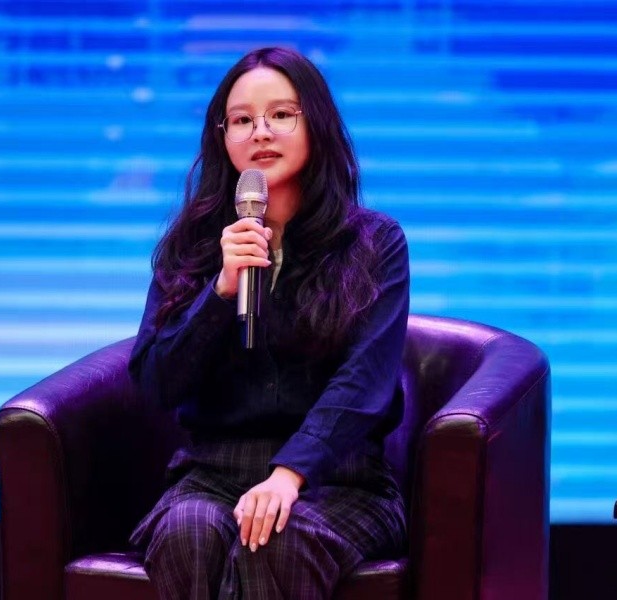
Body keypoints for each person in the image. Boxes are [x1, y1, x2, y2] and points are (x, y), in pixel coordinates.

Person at [128, 46, 410, 599]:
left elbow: (365, 382)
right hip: (213, 473)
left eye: (281, 114)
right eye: (241, 120)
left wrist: (289, 474)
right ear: (222, 138)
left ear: (317, 124)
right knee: (188, 534)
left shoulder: (374, 244)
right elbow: (156, 382)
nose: (261, 132)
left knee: (274, 538)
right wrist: (221, 291)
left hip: (339, 478)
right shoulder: (193, 247)